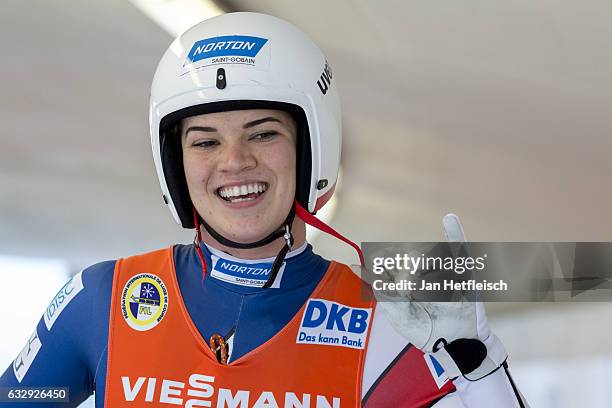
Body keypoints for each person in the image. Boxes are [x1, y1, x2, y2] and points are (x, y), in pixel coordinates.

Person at [0, 12, 528, 407]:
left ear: (311, 150)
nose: (235, 162)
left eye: (264, 133)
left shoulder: (385, 324)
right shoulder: (103, 301)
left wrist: (477, 366)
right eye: (204, 142)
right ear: (174, 165)